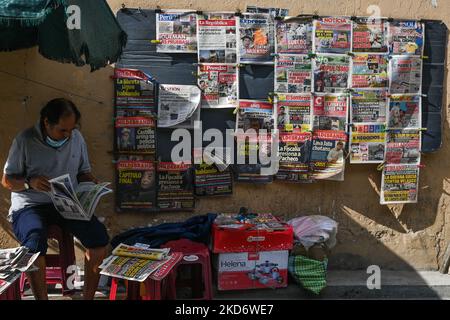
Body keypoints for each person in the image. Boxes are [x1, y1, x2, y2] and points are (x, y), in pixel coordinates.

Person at [1, 98, 109, 300]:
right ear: (46, 123)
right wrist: (28, 183)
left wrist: (90, 183)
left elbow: (83, 171)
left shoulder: (76, 138)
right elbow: (6, 181)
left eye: (71, 129)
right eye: (62, 130)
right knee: (33, 247)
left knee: (98, 239)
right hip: (31, 204)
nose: (68, 135)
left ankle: (88, 298)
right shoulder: (24, 140)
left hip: (66, 203)